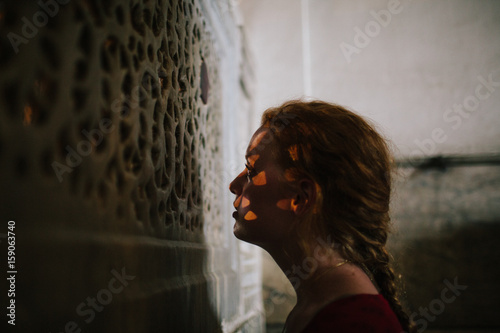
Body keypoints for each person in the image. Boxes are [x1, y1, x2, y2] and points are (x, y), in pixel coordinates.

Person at [229, 100, 414, 333]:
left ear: (300, 197)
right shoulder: (320, 303)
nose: (234, 184)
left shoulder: (354, 324)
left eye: (252, 171)